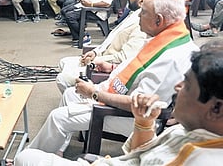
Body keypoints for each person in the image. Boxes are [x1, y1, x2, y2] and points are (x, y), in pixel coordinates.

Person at [22, 0, 198, 157]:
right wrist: (111, 69)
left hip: (133, 118)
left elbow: (137, 105)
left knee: (57, 117)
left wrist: (94, 93)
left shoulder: (170, 58)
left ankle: (31, 158)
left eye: (143, 12)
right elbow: (139, 70)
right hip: (121, 97)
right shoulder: (170, 39)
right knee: (70, 93)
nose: (138, 15)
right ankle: (56, 149)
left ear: (159, 20)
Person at [13, 40, 223, 166]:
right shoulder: (192, 129)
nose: (177, 88)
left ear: (216, 108)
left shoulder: (202, 159)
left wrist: (96, 94)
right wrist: (143, 124)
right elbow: (140, 156)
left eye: (186, 85)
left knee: (26, 158)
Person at [55, 0, 158, 95]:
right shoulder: (133, 14)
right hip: (100, 56)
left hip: (105, 66)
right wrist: (95, 52)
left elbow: (124, 58)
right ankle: (76, 96)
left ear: (142, 1)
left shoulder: (142, 25)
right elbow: (111, 39)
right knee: (63, 62)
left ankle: (81, 99)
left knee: (62, 78)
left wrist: (96, 60)